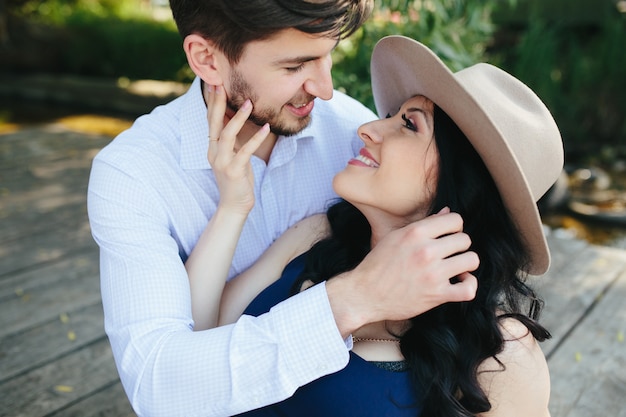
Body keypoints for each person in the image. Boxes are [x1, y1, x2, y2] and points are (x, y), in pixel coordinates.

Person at [87, 2, 479, 416]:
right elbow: (158, 387)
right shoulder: (134, 174)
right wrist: (353, 298)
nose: (325, 89)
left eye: (329, 55)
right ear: (207, 59)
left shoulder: (348, 135)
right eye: (295, 67)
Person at [188, 35, 563, 416]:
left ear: (463, 179)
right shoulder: (316, 237)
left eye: (409, 125)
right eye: (390, 116)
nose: (367, 129)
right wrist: (233, 207)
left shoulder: (501, 352)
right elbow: (197, 347)